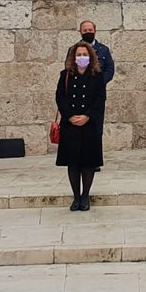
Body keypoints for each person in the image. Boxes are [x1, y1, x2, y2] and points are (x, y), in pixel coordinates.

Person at [55, 42, 107, 211]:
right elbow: (60, 97)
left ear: (90, 57)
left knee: (88, 162)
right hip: (70, 124)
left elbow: (100, 99)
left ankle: (85, 196)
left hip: (89, 123)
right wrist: (69, 116)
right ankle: (76, 197)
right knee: (73, 162)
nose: (81, 57)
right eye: (79, 54)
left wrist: (87, 116)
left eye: (85, 54)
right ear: (73, 57)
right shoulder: (66, 75)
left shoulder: (97, 76)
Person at [80, 20, 114, 173]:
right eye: (85, 30)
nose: (88, 32)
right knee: (79, 129)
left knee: (96, 128)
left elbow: (109, 70)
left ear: (95, 31)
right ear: (80, 32)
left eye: (90, 29)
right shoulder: (75, 50)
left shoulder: (103, 50)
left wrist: (98, 83)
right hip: (79, 95)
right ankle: (80, 159)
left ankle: (94, 161)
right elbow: (69, 68)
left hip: (97, 96)